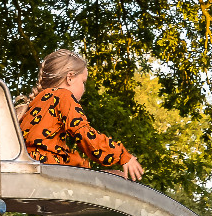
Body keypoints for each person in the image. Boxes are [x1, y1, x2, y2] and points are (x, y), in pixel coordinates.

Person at [18, 49, 144, 181]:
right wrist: (121, 155)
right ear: (70, 78)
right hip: (47, 173)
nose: (84, 89)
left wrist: (85, 167)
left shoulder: (34, 104)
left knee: (109, 176)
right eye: (83, 82)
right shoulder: (63, 96)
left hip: (32, 169)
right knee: (117, 179)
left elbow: (54, 152)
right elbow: (86, 135)